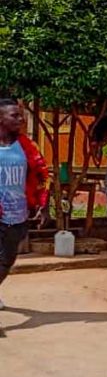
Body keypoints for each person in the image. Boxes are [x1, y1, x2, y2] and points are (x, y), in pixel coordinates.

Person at [0, 99, 49, 311]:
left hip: (18, 215)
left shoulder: (26, 146)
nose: (21, 120)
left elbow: (41, 174)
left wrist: (43, 205)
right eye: (15, 116)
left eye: (21, 115)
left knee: (7, 261)